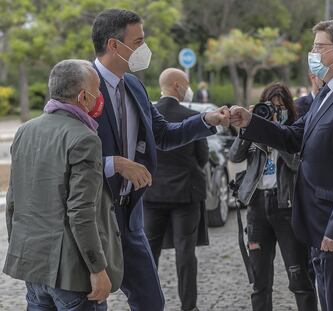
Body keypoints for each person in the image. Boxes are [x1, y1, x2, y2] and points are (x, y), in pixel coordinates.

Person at [229, 20, 333, 311]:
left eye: (318, 47)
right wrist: (251, 122)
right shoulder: (329, 91)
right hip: (319, 224)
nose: (312, 53)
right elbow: (294, 137)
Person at [91, 9, 230, 311]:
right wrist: (114, 162)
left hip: (131, 215)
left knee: (151, 301)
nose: (145, 49)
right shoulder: (81, 85)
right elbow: (67, 156)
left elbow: (164, 135)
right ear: (114, 45)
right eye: (138, 41)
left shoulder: (135, 86)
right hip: (93, 216)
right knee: (89, 300)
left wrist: (207, 119)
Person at [3, 59, 123, 310]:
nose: (100, 95)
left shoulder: (25, 130)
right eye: (98, 89)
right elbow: (81, 212)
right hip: (73, 275)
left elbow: (13, 202)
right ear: (83, 96)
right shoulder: (85, 138)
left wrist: (25, 252)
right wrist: (98, 269)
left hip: (34, 268)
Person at [229, 82, 318, 311]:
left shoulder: (295, 131)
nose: (276, 111)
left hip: (286, 205)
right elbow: (235, 155)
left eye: (281, 107)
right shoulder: (255, 127)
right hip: (257, 206)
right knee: (260, 281)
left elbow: (297, 164)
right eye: (271, 107)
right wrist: (249, 126)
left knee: (299, 277)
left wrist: (277, 133)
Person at [143, 68, 209, 311]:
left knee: (149, 253)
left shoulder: (147, 116)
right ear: (178, 87)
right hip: (186, 193)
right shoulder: (192, 116)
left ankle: (147, 304)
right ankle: (188, 306)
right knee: (185, 251)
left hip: (151, 193)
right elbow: (202, 157)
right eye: (187, 84)